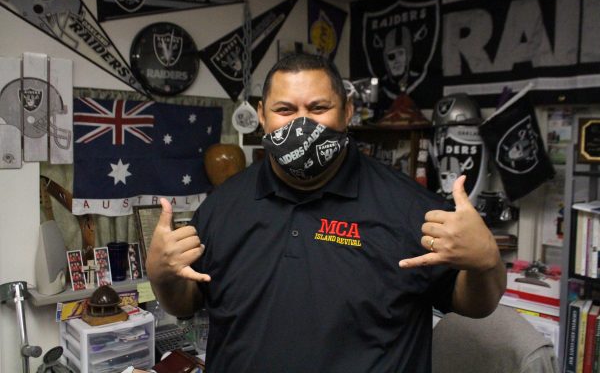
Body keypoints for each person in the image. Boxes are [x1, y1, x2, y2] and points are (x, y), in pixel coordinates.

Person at [146, 54, 506, 373]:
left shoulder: (410, 207)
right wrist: (161, 276)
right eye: (285, 110)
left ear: (347, 112)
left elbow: (473, 305)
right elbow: (188, 301)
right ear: (261, 116)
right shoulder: (222, 207)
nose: (303, 124)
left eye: (318, 108)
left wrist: (486, 263)